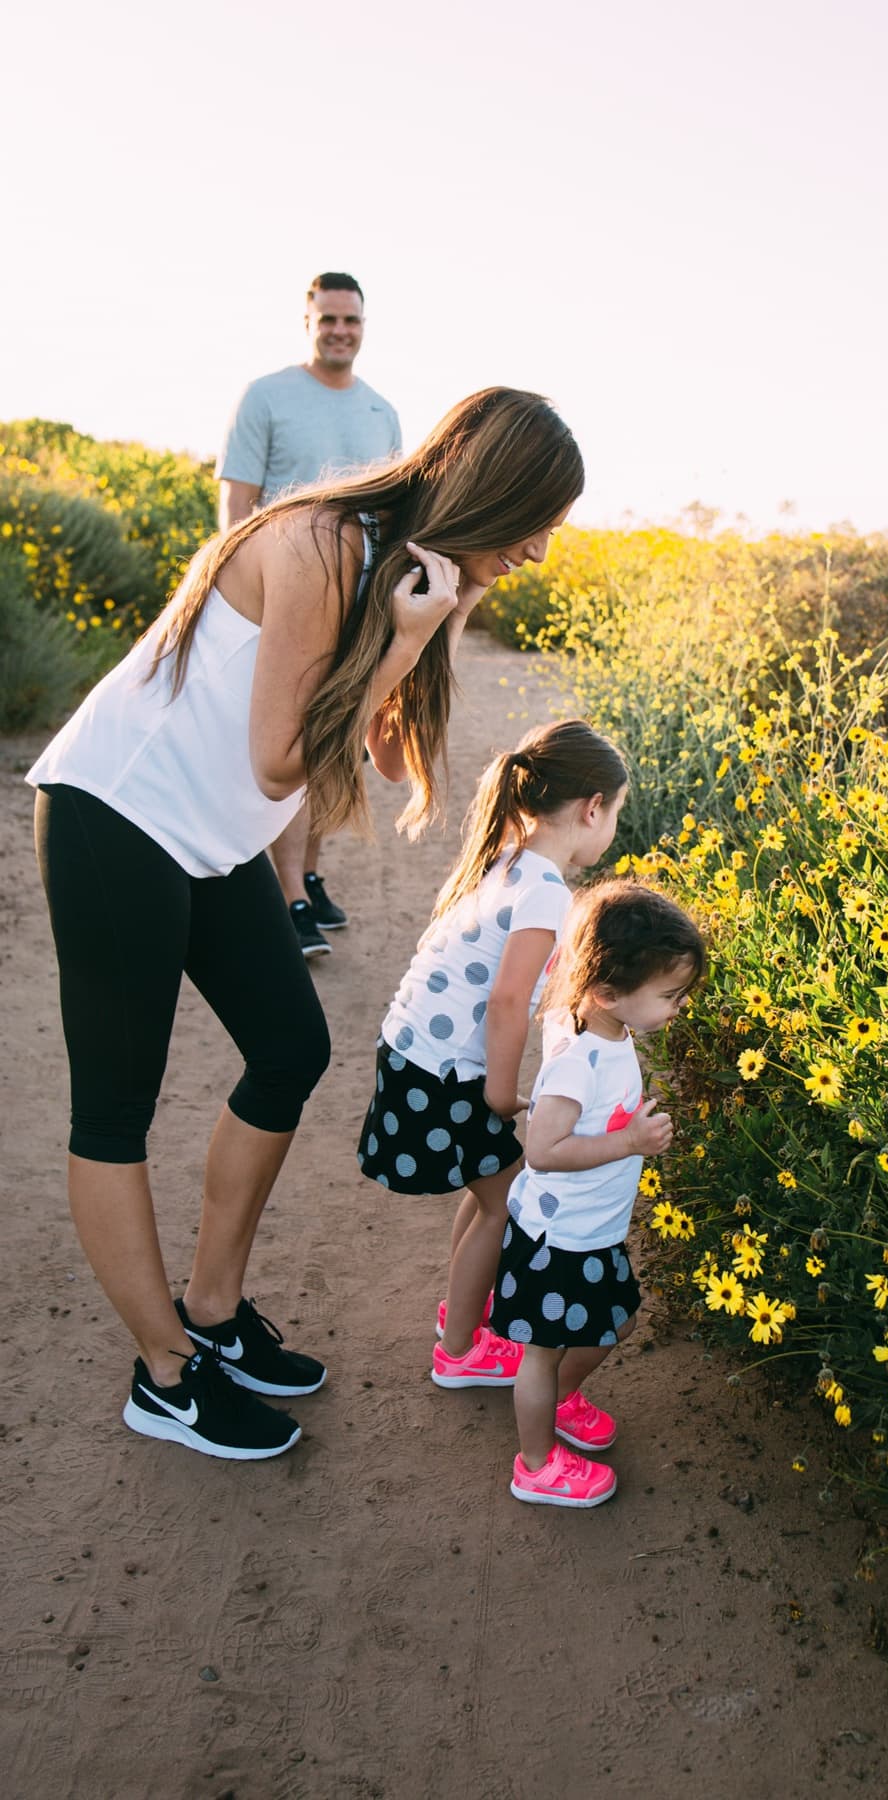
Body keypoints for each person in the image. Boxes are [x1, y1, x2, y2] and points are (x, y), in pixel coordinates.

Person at [28, 387, 583, 1461]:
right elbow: (282, 760)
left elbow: (380, 754)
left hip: (209, 833)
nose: (545, 549)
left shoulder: (410, 571)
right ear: (492, 483)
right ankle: (167, 1375)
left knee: (290, 1045)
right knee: (115, 1111)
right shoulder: (327, 542)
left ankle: (214, 1309)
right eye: (539, 519)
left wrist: (433, 626)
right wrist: (402, 640)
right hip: (118, 816)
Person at [357, 719, 629, 1388]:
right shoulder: (545, 891)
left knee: (492, 1191)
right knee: (505, 1199)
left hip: (417, 1055)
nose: (613, 826)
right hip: (446, 1073)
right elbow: (509, 1001)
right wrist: (504, 1095)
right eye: (617, 813)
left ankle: (464, 1314)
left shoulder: (508, 856)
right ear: (592, 808)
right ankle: (460, 1350)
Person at [489, 881, 706, 1508]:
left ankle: (559, 1400)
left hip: (594, 1232)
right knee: (541, 1352)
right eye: (669, 995)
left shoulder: (603, 1026)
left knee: (618, 1321)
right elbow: (542, 1151)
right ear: (608, 991)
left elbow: (572, 954)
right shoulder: (577, 1060)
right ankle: (535, 1464)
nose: (679, 1007)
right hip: (558, 1240)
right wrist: (629, 1142)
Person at [217, 271, 404, 957]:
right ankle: (288, 895)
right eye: (328, 319)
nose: (340, 331)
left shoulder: (382, 413)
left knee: (335, 752)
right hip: (279, 604)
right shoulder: (266, 397)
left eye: (350, 320)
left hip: (356, 609)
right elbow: (235, 510)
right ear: (308, 322)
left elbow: (390, 518)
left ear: (363, 326)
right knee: (287, 747)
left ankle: (311, 875)